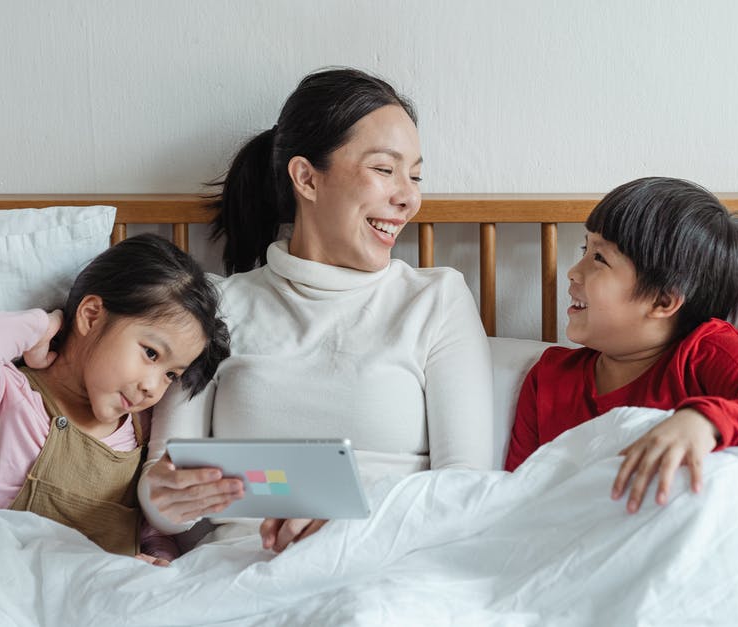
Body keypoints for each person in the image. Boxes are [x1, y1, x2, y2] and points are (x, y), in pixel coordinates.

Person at [139, 67, 495, 553]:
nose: (409, 197)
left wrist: (345, 523)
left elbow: (467, 486)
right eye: (385, 169)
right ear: (306, 177)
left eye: (414, 176)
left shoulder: (435, 300)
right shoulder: (217, 305)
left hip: (387, 560)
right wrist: (166, 495)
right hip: (242, 566)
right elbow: (164, 486)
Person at [504, 177, 738, 513]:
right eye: (585, 250)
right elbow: (517, 493)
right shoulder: (550, 377)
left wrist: (706, 422)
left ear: (662, 301)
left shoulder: (704, 354)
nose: (573, 271)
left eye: (599, 258)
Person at [0, 233, 230, 564]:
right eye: (151, 353)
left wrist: (158, 559)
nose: (153, 388)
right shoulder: (6, 398)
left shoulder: (140, 432)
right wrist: (46, 325)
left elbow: (149, 533)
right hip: (7, 585)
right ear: (90, 315)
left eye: (170, 375)